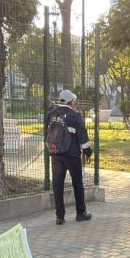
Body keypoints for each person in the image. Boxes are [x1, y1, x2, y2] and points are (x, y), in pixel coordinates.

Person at [45, 89, 92, 224]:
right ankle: (81, 213)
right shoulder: (74, 115)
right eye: (74, 100)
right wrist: (88, 153)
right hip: (71, 155)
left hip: (56, 153)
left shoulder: (51, 114)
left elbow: (47, 133)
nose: (74, 102)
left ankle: (59, 217)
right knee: (77, 183)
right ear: (71, 101)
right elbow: (82, 136)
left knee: (57, 185)